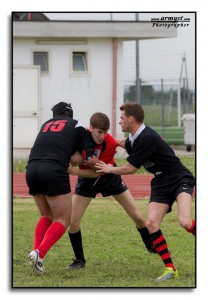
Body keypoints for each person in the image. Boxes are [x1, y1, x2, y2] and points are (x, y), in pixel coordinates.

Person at [95, 103, 195, 281]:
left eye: (122, 118)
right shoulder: (135, 136)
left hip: (179, 178)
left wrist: (109, 169)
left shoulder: (146, 137)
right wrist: (109, 139)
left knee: (185, 222)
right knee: (151, 223)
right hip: (160, 182)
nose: (120, 122)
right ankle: (170, 268)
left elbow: (130, 169)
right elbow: (126, 143)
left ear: (131, 119)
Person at [66, 112, 155, 270]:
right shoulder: (80, 139)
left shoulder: (109, 142)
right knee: (73, 221)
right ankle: (79, 260)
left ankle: (151, 245)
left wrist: (75, 172)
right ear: (90, 128)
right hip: (86, 182)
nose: (102, 136)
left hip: (109, 177)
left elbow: (100, 172)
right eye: (99, 132)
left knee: (138, 216)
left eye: (105, 132)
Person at [26, 102, 99, 275]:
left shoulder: (45, 125)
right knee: (62, 219)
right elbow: (87, 157)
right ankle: (39, 253)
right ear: (70, 115)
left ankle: (36, 257)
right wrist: (106, 167)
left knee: (46, 215)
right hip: (53, 170)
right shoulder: (77, 125)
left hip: (31, 169)